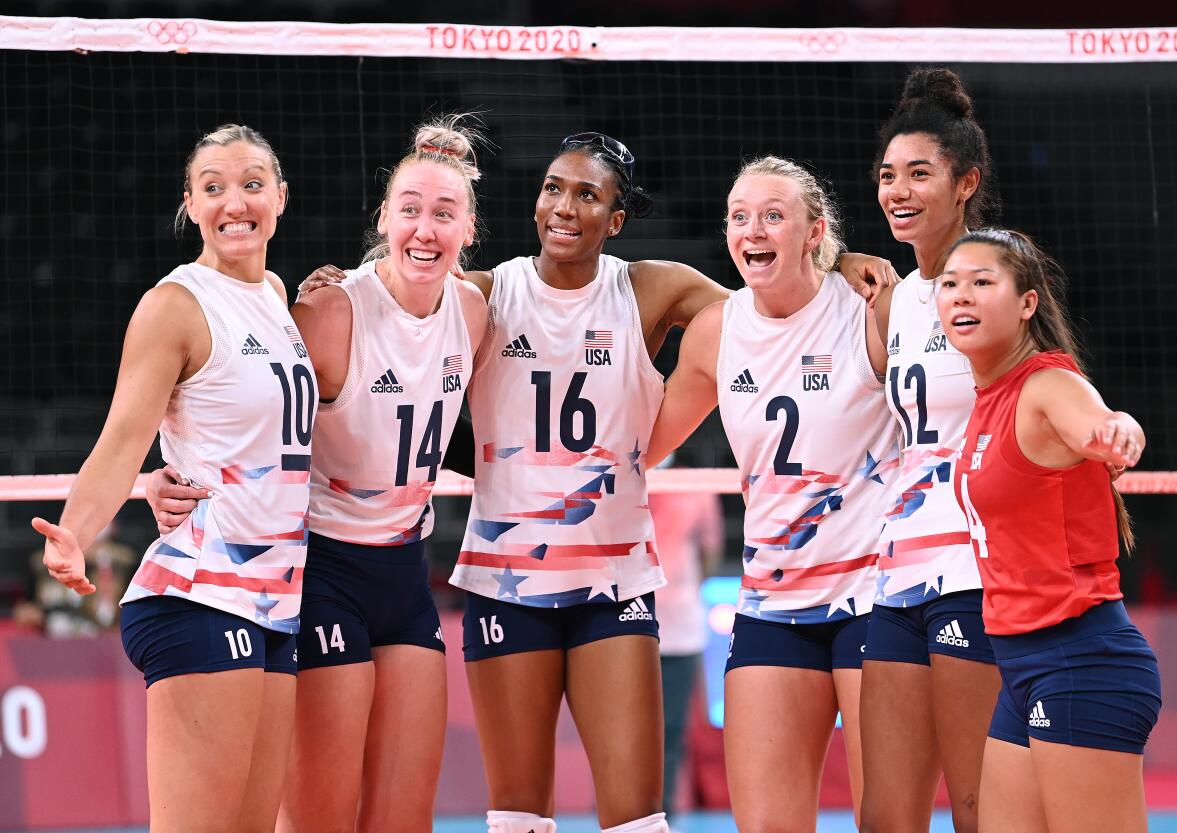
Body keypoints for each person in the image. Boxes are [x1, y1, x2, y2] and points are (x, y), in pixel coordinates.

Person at [290, 133, 895, 833]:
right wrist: (349, 282)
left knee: (637, 819)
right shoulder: (486, 295)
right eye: (553, 188)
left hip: (612, 579)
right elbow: (407, 293)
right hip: (506, 581)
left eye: (588, 195)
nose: (564, 206)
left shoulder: (651, 287)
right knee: (517, 818)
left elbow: (769, 303)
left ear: (615, 219)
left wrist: (837, 260)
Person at [147, 117, 488, 833]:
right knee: (318, 820)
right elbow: (232, 398)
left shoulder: (475, 309)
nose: (425, 230)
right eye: (410, 211)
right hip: (323, 571)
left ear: (470, 230)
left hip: (406, 570)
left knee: (404, 820)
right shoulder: (331, 310)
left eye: (444, 214)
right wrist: (162, 475)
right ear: (384, 219)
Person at [33, 124, 309, 833]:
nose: (234, 201)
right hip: (202, 593)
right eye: (212, 187)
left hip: (276, 600)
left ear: (280, 197)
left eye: (251, 183)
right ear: (191, 204)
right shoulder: (175, 305)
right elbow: (123, 439)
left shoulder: (277, 295)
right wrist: (76, 532)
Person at [647, 156, 897, 833]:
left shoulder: (870, 308)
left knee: (889, 820)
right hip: (772, 603)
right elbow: (639, 444)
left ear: (815, 232)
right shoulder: (718, 331)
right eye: (739, 216)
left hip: (875, 598)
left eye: (772, 215)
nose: (752, 229)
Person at [937, 228, 1160, 833]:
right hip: (1022, 667)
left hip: (1082, 661)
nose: (962, 296)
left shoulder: (1045, 384)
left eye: (983, 283)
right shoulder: (989, 396)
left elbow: (1100, 420)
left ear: (1027, 302)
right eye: (950, 285)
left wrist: (1119, 430)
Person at [859, 67, 1002, 833]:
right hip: (899, 567)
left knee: (977, 808)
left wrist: (1110, 423)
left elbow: (1055, 376)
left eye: (920, 173)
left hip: (974, 568)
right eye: (888, 175)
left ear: (965, 181)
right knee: (885, 815)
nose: (898, 189)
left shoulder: (994, 270)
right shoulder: (903, 295)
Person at [646, 457, 724, 816]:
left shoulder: (698, 486)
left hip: (679, 625)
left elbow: (711, 550)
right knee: (630, 727)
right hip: (626, 624)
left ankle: (663, 812)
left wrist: (686, 589)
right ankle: (631, 811)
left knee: (672, 727)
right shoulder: (628, 479)